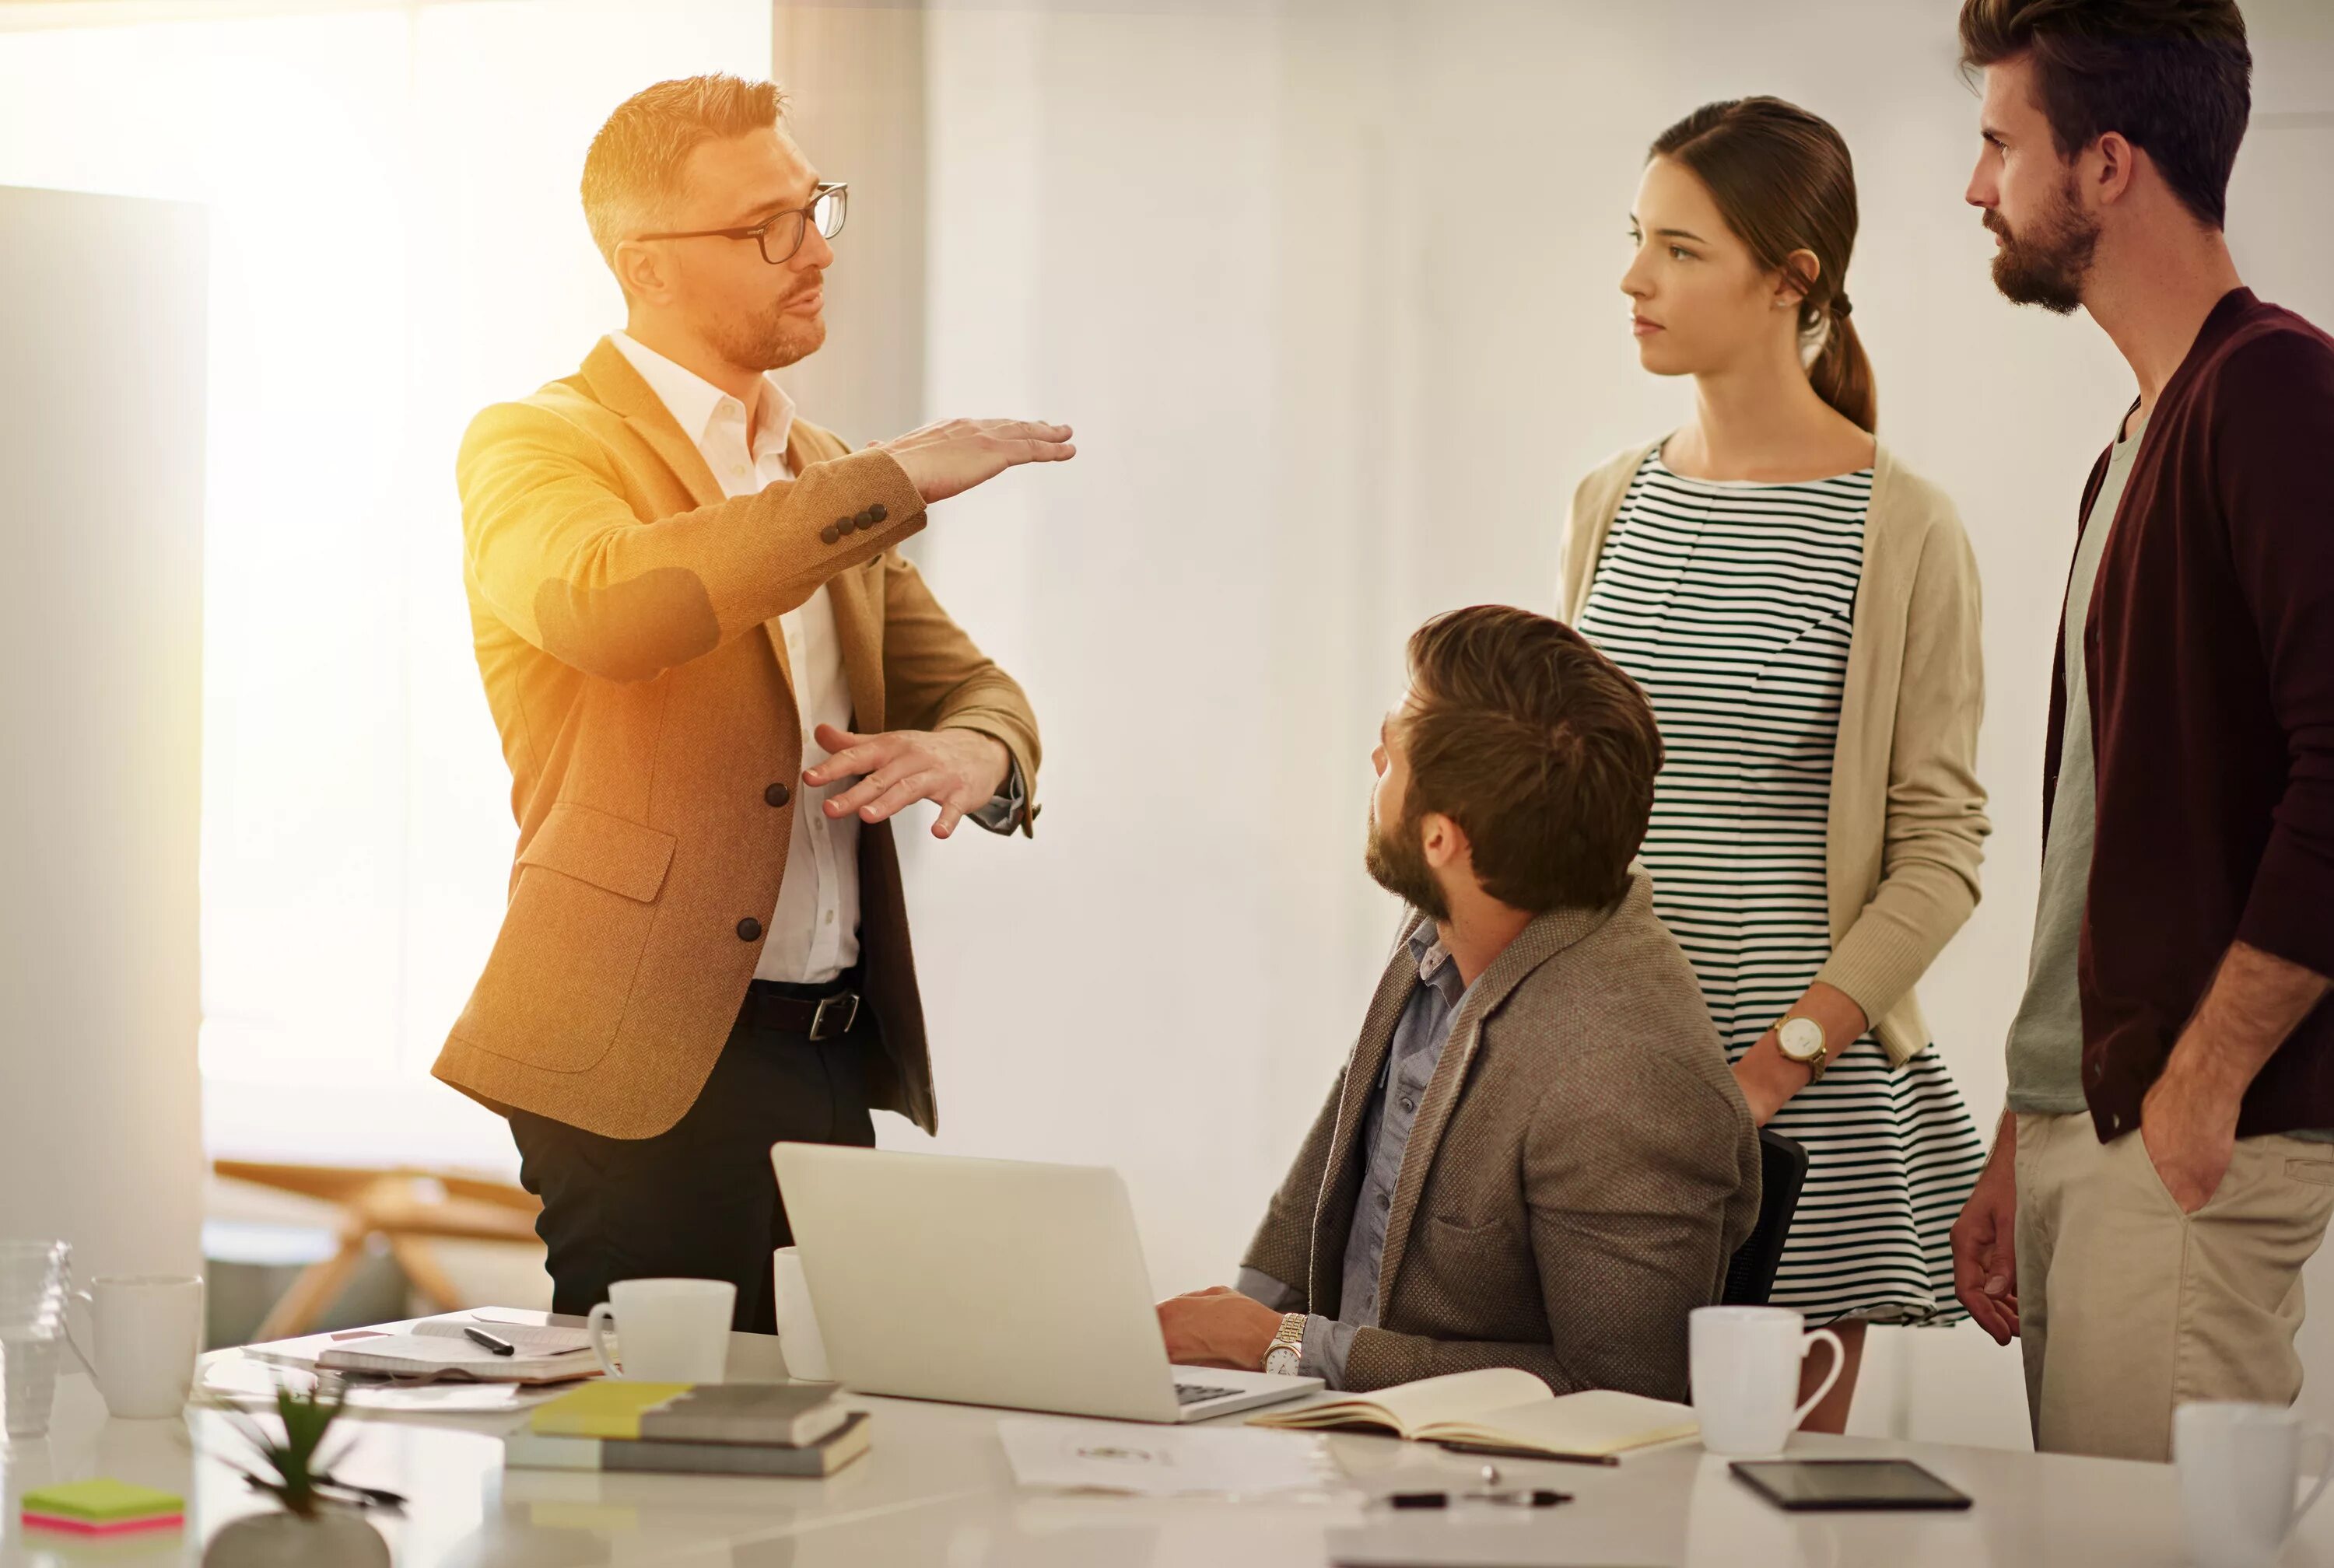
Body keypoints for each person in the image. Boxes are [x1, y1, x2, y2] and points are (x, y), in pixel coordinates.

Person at [436, 74, 1071, 1332]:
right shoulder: (536, 444)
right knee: (652, 1477)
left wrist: (971, 753)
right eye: (767, 227)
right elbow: (606, 605)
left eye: (814, 207)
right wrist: (896, 478)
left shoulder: (819, 467)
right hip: (639, 1056)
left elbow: (980, 688)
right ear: (646, 264)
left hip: (829, 1052)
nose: (816, 248)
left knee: (816, 1457)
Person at [1554, 98, 1992, 1433]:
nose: (1636, 278)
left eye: (1681, 250)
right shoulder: (1610, 499)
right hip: (1605, 1095)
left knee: (1762, 1504)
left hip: (1795, 1113)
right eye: (1638, 240)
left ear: (1790, 279)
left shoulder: (1904, 528)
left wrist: (1769, 1069)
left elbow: (1942, 848)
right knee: (1584, 1495)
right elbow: (1567, 810)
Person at [1949, 0, 2334, 1463]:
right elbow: (2113, 840)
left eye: (2001, 143)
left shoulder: (2278, 395)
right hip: (2086, 1133)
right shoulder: (2137, 437)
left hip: (2178, 1152)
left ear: (2106, 167)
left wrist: (2207, 1074)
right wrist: (2029, 1117)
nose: (1976, 185)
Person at [1157, 606, 1759, 1398]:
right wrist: (1213, 1345)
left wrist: (1283, 1345)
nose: (1373, 758)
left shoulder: (1626, 1077)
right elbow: (1332, 1174)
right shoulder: (1446, 925)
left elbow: (1622, 1393)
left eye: (1391, 751)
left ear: (1440, 838)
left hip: (1493, 1496)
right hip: (1339, 1445)